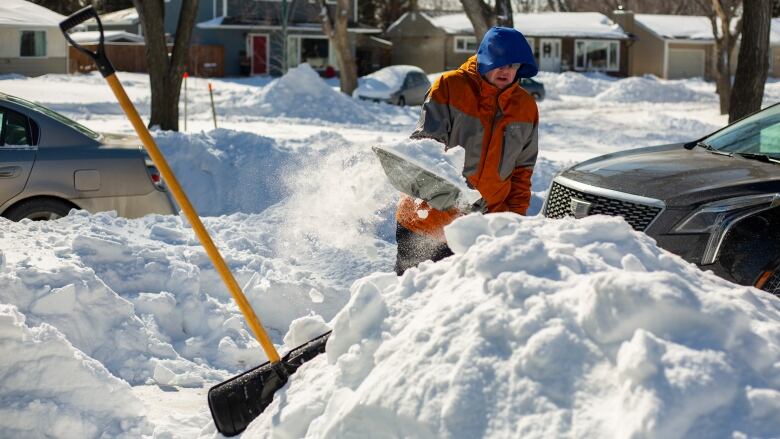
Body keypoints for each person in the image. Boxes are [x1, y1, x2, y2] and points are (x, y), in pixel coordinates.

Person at [394, 26, 539, 275]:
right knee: (412, 301)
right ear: (486, 59)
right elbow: (425, 152)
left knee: (465, 309)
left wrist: (512, 222)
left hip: (481, 230)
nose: (507, 71)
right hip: (426, 221)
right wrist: (452, 202)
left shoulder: (525, 107)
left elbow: (522, 172)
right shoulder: (450, 86)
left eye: (514, 65)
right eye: (501, 63)